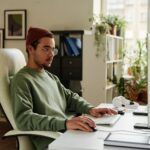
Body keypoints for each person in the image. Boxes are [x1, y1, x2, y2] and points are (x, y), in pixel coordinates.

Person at [10, 27, 117, 150]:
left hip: (69, 133)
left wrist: (90, 109)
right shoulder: (21, 80)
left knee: (109, 141)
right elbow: (23, 118)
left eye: (53, 50)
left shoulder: (51, 77)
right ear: (30, 49)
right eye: (46, 49)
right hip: (54, 142)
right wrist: (65, 123)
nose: (51, 55)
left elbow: (70, 98)